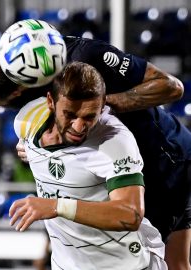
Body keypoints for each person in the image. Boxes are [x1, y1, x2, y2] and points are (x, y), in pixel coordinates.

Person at [0, 36, 191, 270]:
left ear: (15, 91)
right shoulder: (29, 111)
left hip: (163, 158)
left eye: (0, 104)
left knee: (163, 260)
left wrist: (99, 105)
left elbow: (172, 87)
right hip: (112, 170)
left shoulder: (83, 57)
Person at [9, 61, 167, 269]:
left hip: (125, 264)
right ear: (50, 102)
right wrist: (29, 151)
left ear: (102, 108)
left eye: (89, 117)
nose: (78, 126)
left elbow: (131, 215)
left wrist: (57, 206)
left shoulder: (114, 142)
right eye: (70, 114)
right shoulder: (27, 120)